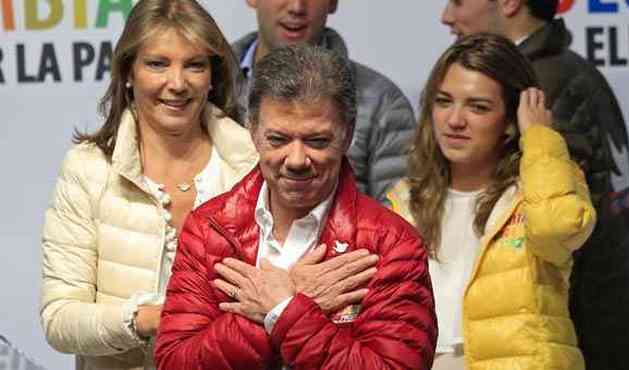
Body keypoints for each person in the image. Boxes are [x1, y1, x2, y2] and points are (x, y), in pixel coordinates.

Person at [154, 44, 437, 370]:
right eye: (278, 139)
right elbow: (175, 362)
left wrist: (286, 310)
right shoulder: (208, 229)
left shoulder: (392, 244)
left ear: (347, 136)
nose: (297, 160)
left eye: (317, 141)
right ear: (253, 131)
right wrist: (292, 304)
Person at [40, 1, 259, 369]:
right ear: (128, 72)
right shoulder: (88, 168)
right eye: (158, 64)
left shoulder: (252, 167)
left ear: (212, 77)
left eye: (194, 65)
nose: (177, 83)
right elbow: (59, 318)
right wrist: (148, 319)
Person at [440, 1, 629, 369]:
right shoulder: (568, 74)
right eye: (443, 103)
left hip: (575, 336)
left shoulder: (542, 88)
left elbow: (566, 230)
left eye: (459, 0)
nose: (446, 16)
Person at [387, 34, 596, 370]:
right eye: (443, 101)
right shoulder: (404, 201)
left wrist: (540, 139)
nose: (455, 120)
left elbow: (557, 228)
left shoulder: (542, 187)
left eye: (478, 107)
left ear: (512, 119)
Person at [231, 0, 416, 203]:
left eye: (318, 141)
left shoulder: (382, 103)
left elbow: (401, 217)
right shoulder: (206, 90)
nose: (296, 7)